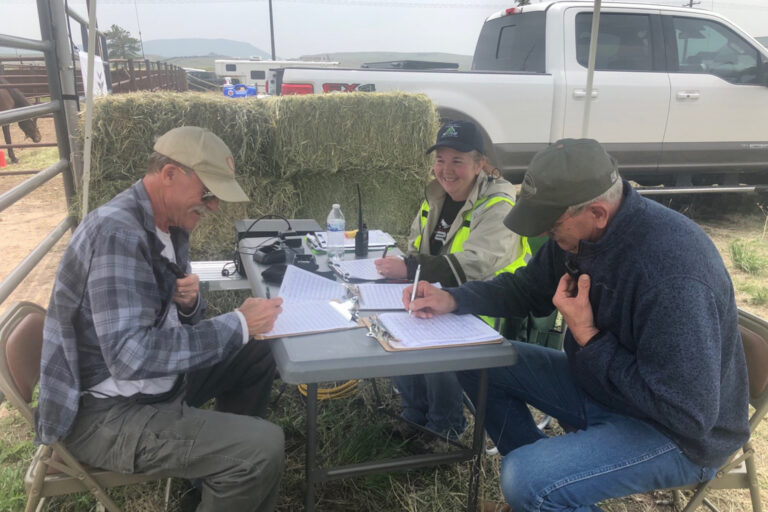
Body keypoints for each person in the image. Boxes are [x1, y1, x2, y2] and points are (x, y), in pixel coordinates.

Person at [404, 139, 750, 511]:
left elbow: (688, 413)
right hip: (605, 387)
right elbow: (528, 288)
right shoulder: (580, 233)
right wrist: (455, 298)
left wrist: (590, 337)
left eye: (551, 227)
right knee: (476, 358)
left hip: (677, 434)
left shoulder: (672, 277)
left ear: (598, 213)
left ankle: (542, 491)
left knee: (524, 479)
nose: (545, 235)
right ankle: (549, 494)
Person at [36, 126, 285, 512]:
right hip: (104, 415)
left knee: (258, 350)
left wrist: (187, 307)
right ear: (169, 174)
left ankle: (214, 476)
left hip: (145, 388)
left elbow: (163, 327)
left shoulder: (163, 225)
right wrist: (236, 323)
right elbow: (130, 356)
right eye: (207, 194)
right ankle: (236, 465)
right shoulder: (118, 234)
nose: (214, 206)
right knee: (262, 448)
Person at [374, 120, 529, 441]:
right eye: (440, 159)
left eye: (457, 160)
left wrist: (409, 269)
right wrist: (406, 272)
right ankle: (414, 416)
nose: (446, 169)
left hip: (485, 302)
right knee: (392, 323)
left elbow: (478, 264)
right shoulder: (435, 196)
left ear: (480, 164)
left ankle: (445, 430)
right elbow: (415, 248)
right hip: (440, 292)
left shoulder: (499, 205)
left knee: (435, 341)